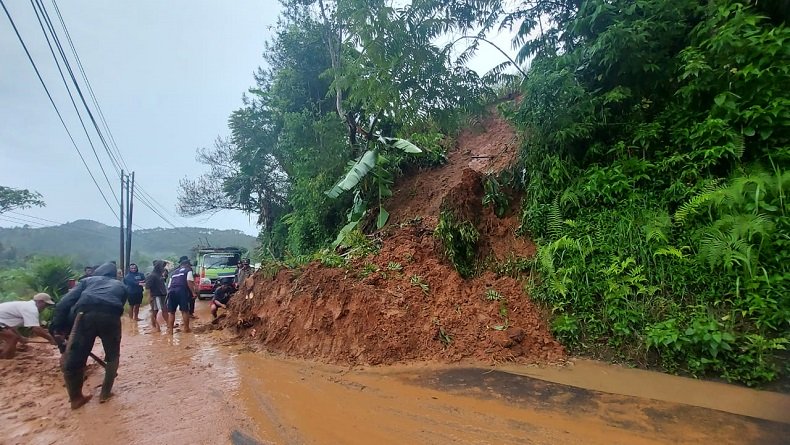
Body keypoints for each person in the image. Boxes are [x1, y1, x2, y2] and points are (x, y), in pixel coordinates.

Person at [51, 262, 127, 409]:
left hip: (84, 315)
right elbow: (120, 305)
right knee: (113, 355)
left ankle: (76, 399)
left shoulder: (87, 281)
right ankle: (105, 393)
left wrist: (58, 328)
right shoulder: (121, 286)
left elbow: (64, 303)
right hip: (111, 316)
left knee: (75, 356)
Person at [0, 293, 58, 359]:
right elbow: (36, 329)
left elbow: (9, 326)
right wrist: (51, 339)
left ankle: (5, 358)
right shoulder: (31, 309)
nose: (45, 308)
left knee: (13, 338)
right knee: (12, 338)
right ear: (40, 301)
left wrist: (20, 337)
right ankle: (6, 361)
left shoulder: (26, 306)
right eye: (46, 305)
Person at [166, 256, 197, 334]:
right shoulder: (188, 270)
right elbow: (189, 281)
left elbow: (169, 285)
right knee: (184, 311)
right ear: (187, 264)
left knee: (171, 312)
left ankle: (170, 331)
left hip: (171, 291)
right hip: (181, 290)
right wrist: (193, 292)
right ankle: (186, 329)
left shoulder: (174, 272)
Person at [145, 260, 168, 332]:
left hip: (162, 295)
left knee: (161, 310)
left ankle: (165, 325)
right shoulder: (152, 275)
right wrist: (150, 297)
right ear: (158, 267)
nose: (163, 268)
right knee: (157, 311)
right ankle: (156, 326)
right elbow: (147, 287)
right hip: (156, 296)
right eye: (162, 266)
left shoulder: (159, 275)